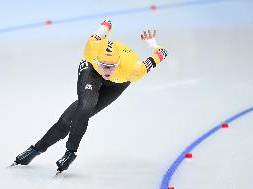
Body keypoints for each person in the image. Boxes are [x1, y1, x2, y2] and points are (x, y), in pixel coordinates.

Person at [13, 20, 168, 174]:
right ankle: (43, 150)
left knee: (76, 116)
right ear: (96, 59)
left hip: (118, 83)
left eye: (111, 67)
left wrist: (152, 44)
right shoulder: (91, 49)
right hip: (91, 72)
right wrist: (106, 25)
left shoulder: (135, 69)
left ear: (119, 63)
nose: (107, 72)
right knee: (83, 107)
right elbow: (105, 24)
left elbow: (162, 53)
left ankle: (62, 151)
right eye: (104, 65)